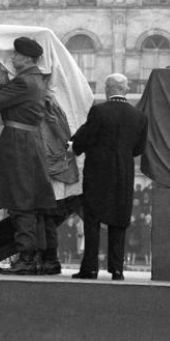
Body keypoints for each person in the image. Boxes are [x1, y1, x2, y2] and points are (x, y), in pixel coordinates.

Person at [0, 37, 55, 275]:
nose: (13, 58)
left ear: (26, 58)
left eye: (16, 55)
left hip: (18, 143)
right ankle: (35, 256)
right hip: (27, 141)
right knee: (29, 201)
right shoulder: (34, 79)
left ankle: (25, 257)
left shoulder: (25, 81)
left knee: (20, 201)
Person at [70, 73, 148, 281]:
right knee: (119, 221)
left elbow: (84, 139)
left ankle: (90, 268)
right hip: (124, 173)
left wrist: (74, 146)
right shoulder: (139, 117)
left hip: (97, 173)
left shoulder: (98, 111)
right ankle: (117, 269)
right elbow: (138, 148)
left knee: (93, 220)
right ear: (126, 90)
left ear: (107, 89)